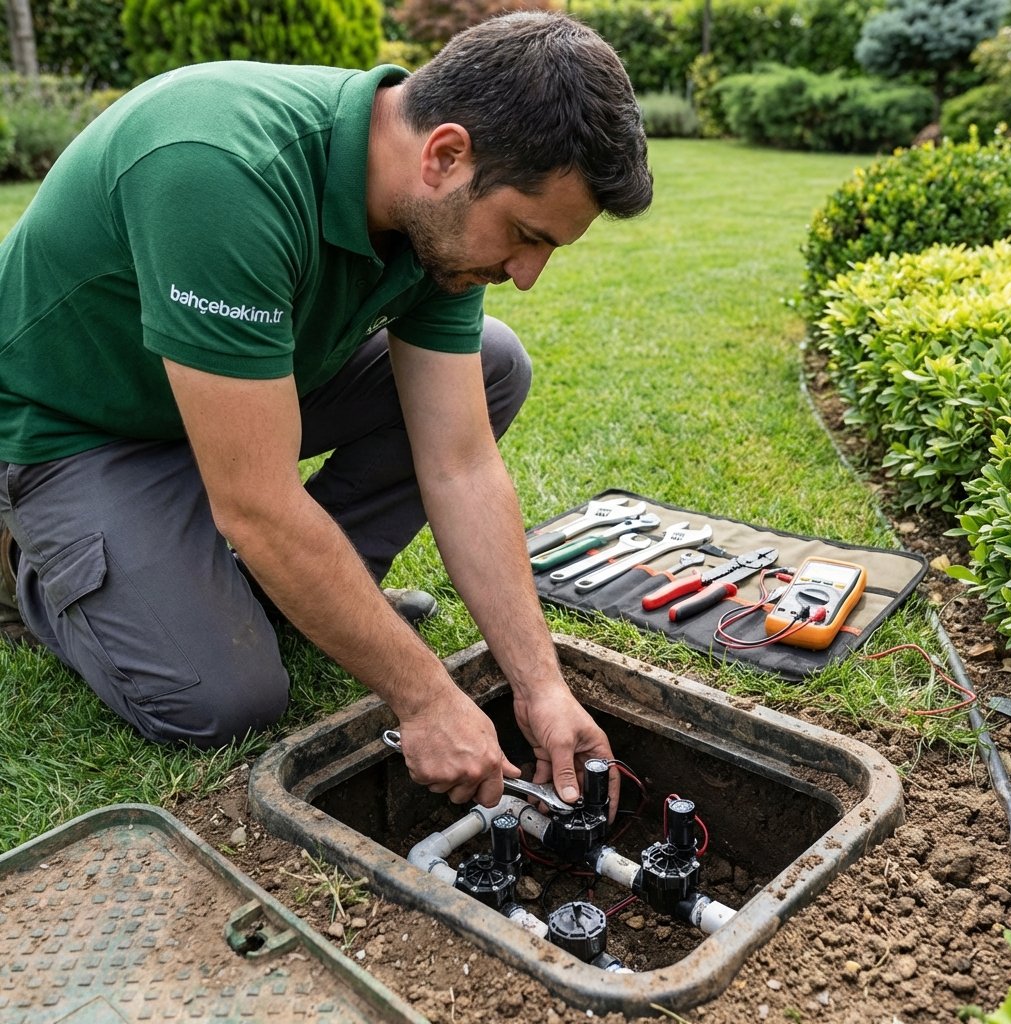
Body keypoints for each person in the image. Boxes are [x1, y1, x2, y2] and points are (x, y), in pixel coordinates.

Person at [0, 11, 653, 810]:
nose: (526, 273)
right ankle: (27, 568)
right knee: (220, 701)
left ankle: (277, 599)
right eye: (524, 234)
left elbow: (459, 462)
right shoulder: (219, 168)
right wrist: (424, 698)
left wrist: (540, 685)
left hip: (235, 394)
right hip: (76, 427)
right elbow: (258, 504)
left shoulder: (432, 232)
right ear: (445, 155)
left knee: (493, 366)